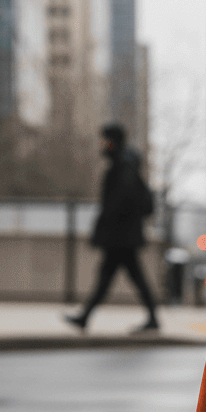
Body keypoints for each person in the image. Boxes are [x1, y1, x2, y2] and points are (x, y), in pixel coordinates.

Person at [67, 124, 159, 332]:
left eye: (106, 140)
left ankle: (86, 317)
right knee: (117, 278)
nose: (103, 145)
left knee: (113, 278)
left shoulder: (123, 170)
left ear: (114, 142)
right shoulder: (125, 168)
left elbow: (118, 204)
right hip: (123, 237)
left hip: (121, 238)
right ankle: (86, 317)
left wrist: (106, 224)